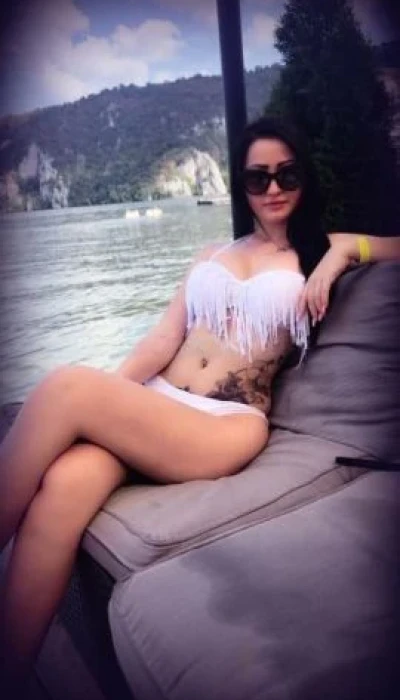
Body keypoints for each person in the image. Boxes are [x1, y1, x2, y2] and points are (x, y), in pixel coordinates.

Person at [0, 116, 399, 693]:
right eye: (258, 177)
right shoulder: (213, 252)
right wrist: (107, 405)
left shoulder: (319, 250)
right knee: (65, 484)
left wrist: (344, 253)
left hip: (225, 423)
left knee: (65, 385)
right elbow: (163, 340)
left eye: (286, 174)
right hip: (160, 405)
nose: (273, 188)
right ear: (242, 185)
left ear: (304, 177)